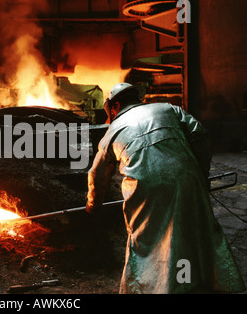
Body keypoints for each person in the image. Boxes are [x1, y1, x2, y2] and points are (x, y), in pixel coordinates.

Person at [86, 82, 246, 294]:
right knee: (189, 232)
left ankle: (155, 288)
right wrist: (199, 173)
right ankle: (191, 283)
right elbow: (201, 135)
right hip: (187, 179)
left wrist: (92, 205)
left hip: (145, 189)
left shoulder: (112, 130)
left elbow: (96, 175)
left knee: (147, 242)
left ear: (114, 106)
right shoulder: (168, 108)